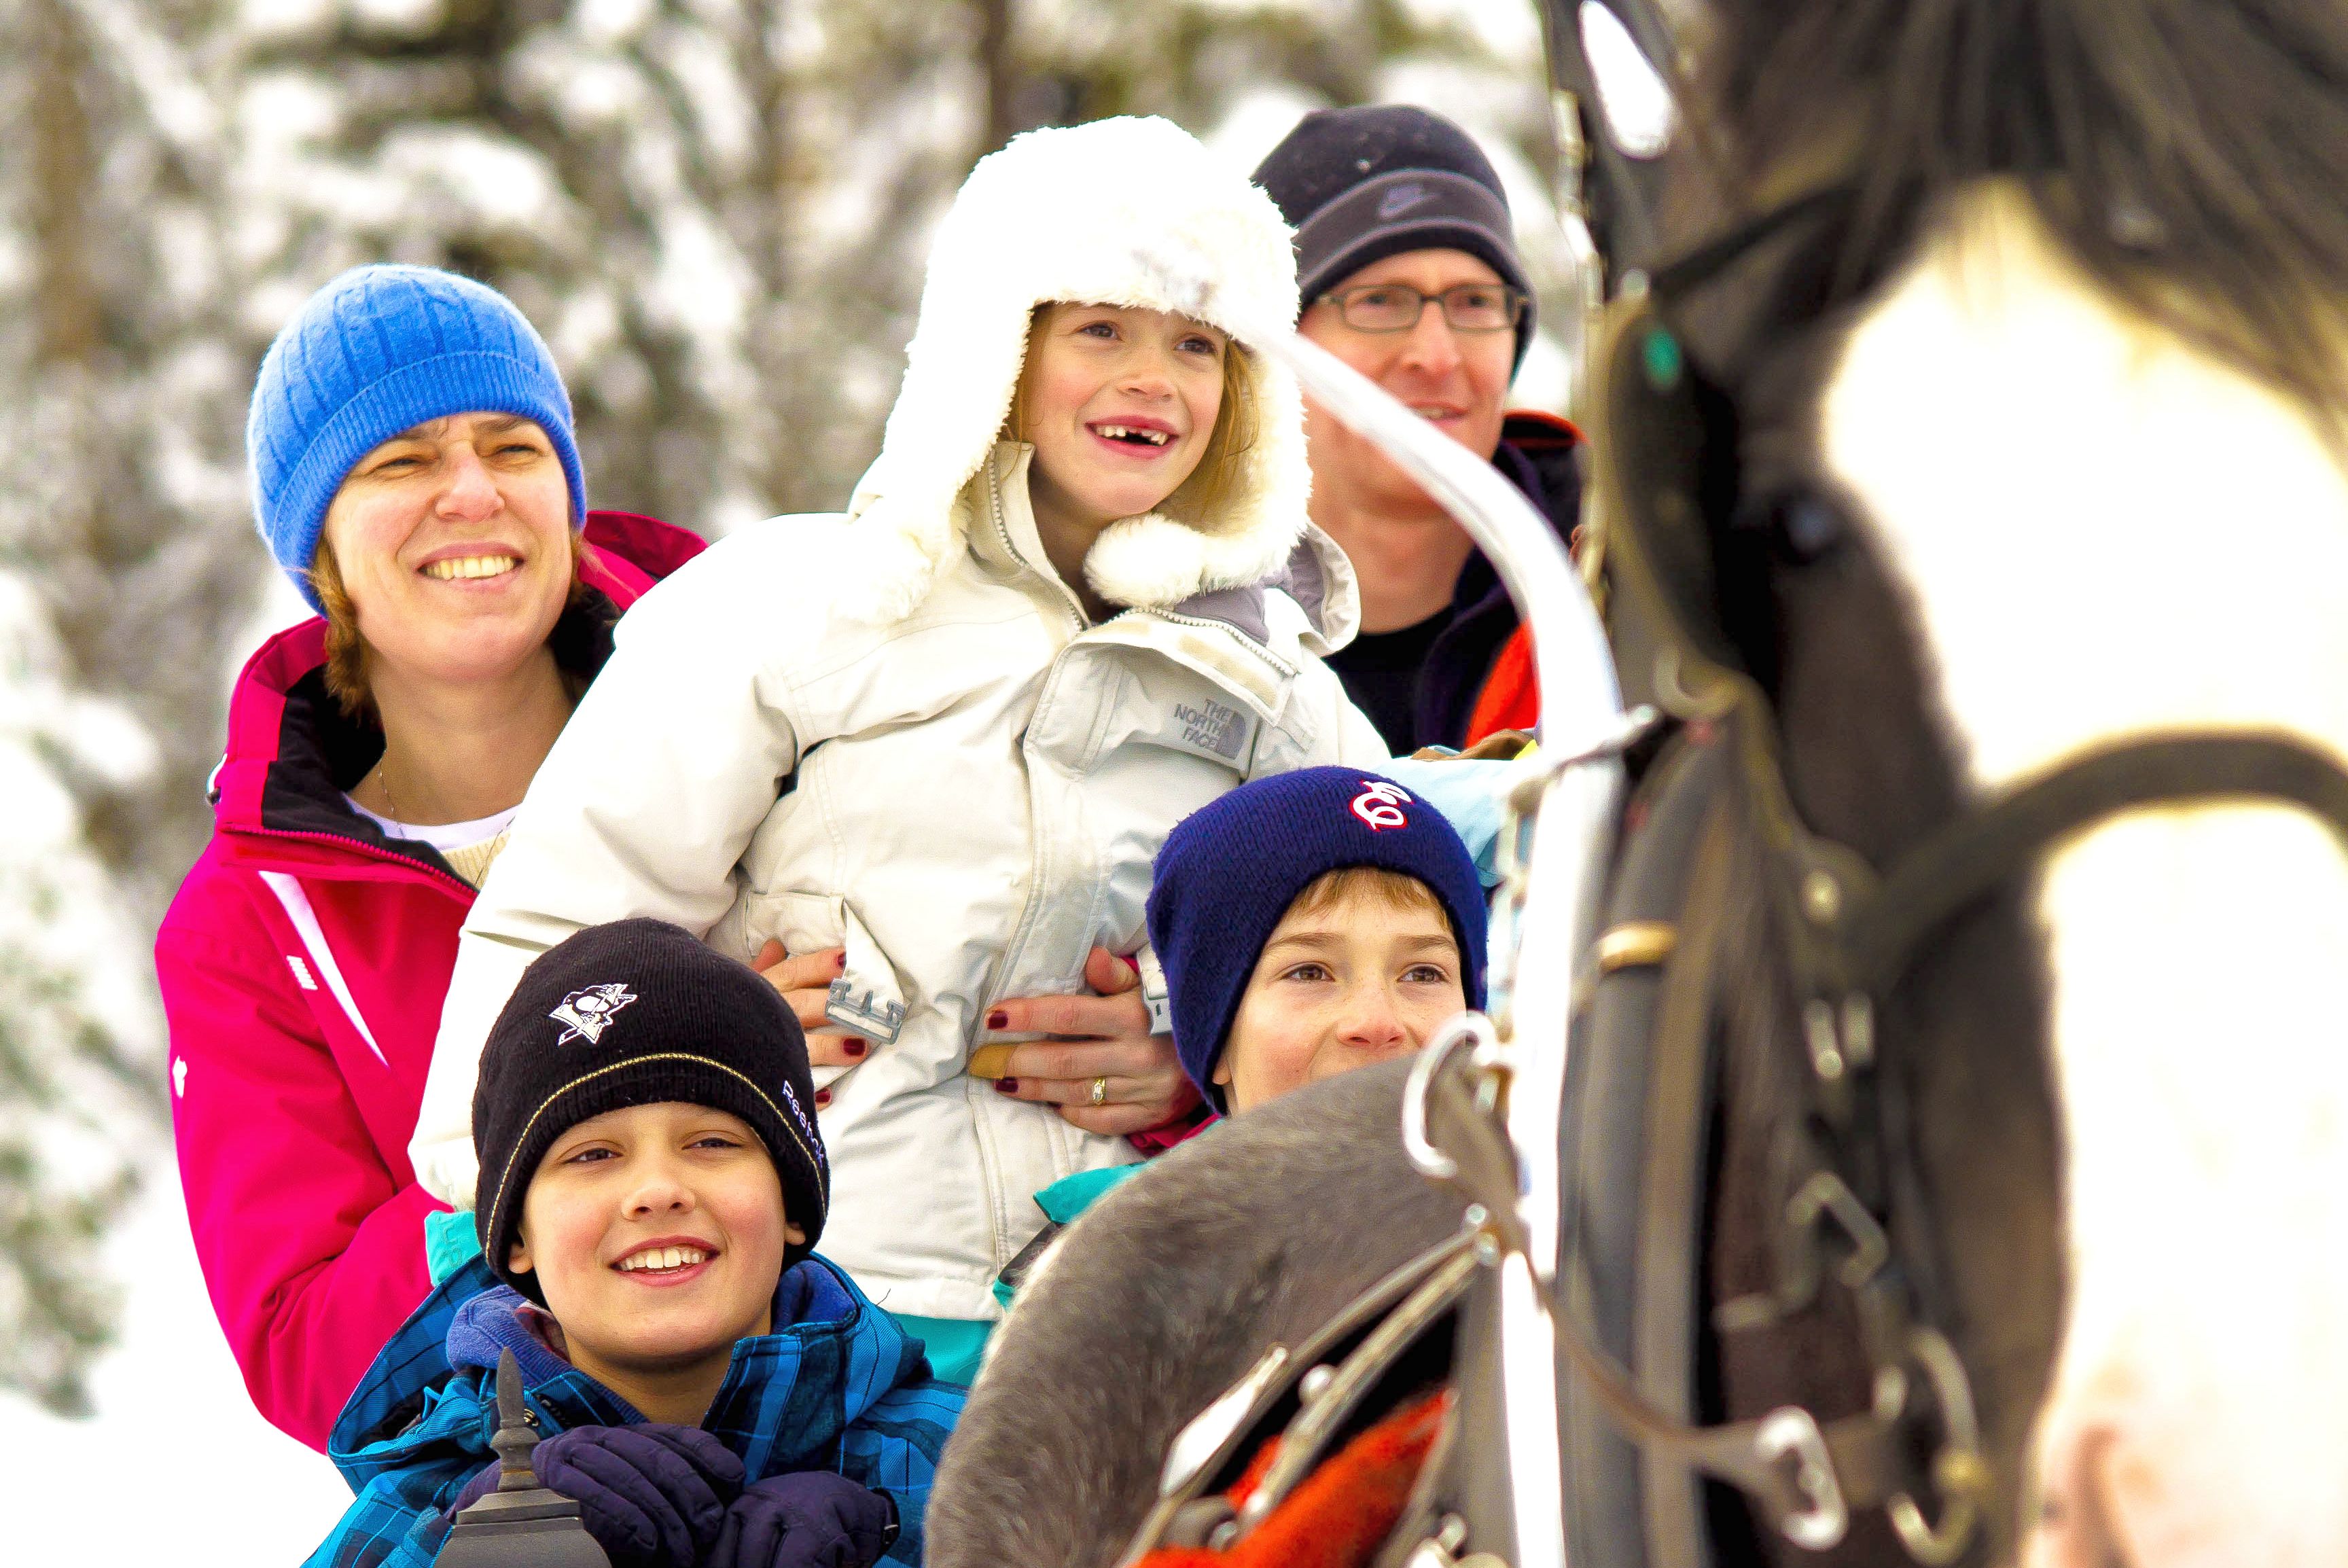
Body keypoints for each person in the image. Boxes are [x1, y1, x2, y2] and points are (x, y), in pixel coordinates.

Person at [408, 115, 1391, 1385]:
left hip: (1137, 1320)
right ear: (997, 346)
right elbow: (571, 929)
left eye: (1197, 343)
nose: (1152, 375)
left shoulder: (1264, 676)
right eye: (1100, 328)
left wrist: (1192, 1047)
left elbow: (1410, 940)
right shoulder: (805, 601)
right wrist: (667, 1070)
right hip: (812, 1318)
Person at [156, 264, 707, 1450]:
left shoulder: (750, 711)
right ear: (319, 552)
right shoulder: (255, 919)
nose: (470, 492)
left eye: (513, 447)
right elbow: (308, 1354)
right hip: (546, 1485)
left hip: (898, 1419)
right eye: (399, 463)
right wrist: (538, 1137)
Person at [311, 919, 961, 1568]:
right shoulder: (420, 1516)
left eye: (712, 1143)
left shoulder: (972, 1462)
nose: (657, 1190)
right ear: (515, 1238)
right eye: (593, 1154)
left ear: (792, 1202)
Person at [992, 764, 1487, 1297]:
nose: (1377, 1023)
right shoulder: (1109, 1289)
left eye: (1423, 973)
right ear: (1216, 1037)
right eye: (1309, 972)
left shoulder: (1553, 1246)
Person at [1254, 104, 1585, 752]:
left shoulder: (1629, 585)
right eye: (1379, 301)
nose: (1436, 356)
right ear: (1275, 347)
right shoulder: (1165, 610)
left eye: (1474, 302)